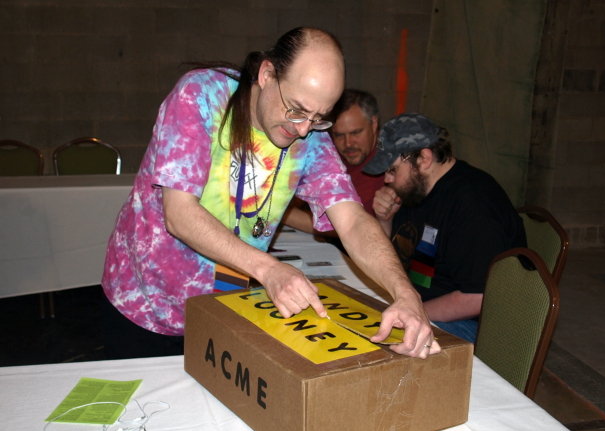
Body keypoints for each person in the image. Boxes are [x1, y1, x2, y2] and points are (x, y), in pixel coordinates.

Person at [101, 27, 440, 359]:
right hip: (147, 303)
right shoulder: (201, 95)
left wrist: (405, 292)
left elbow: (351, 219)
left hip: (225, 303)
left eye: (319, 118)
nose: (303, 128)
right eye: (296, 108)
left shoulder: (310, 135)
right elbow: (179, 214)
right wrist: (269, 269)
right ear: (266, 74)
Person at [366, 113, 526, 343]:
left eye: (392, 170)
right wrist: (384, 218)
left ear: (423, 159)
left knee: (377, 347)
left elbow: (477, 298)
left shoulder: (474, 205)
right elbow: (394, 258)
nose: (387, 180)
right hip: (424, 301)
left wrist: (413, 313)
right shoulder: (417, 188)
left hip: (478, 326)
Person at [283, 89, 384, 234]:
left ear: (374, 124)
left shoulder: (386, 167)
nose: (348, 143)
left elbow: (343, 228)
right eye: (339, 135)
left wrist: (276, 211)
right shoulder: (329, 154)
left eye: (355, 133)